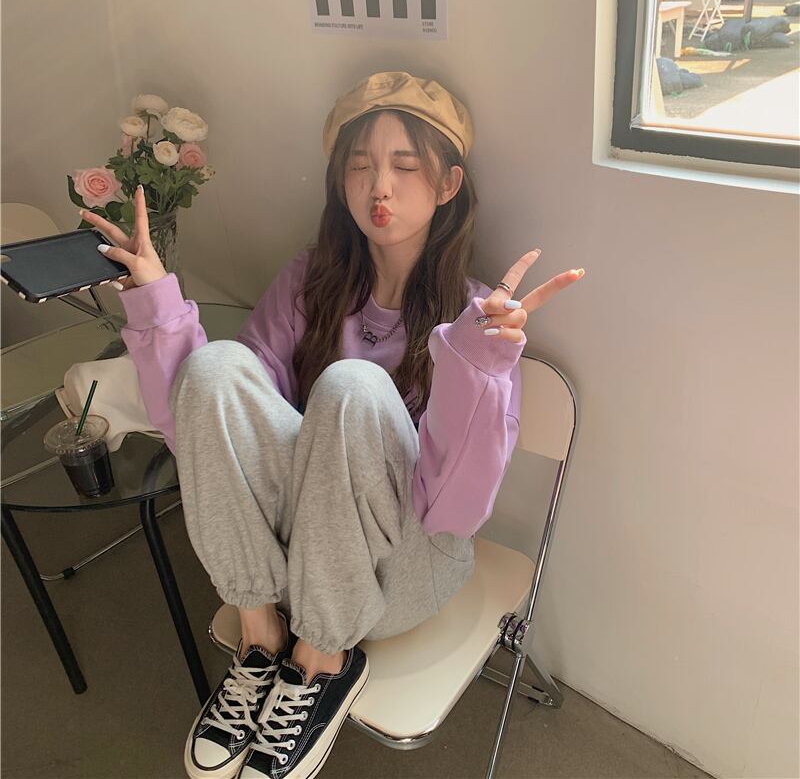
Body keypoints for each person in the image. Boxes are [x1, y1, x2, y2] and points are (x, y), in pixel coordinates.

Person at [80, 70, 585, 779]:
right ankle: (260, 637)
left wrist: (480, 363)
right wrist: (156, 300)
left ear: (448, 184)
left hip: (403, 573)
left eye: (405, 166)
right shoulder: (309, 281)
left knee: (353, 385)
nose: (380, 187)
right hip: (288, 566)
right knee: (218, 366)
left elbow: (456, 511)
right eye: (360, 165)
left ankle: (321, 660)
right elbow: (216, 430)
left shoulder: (476, 318)